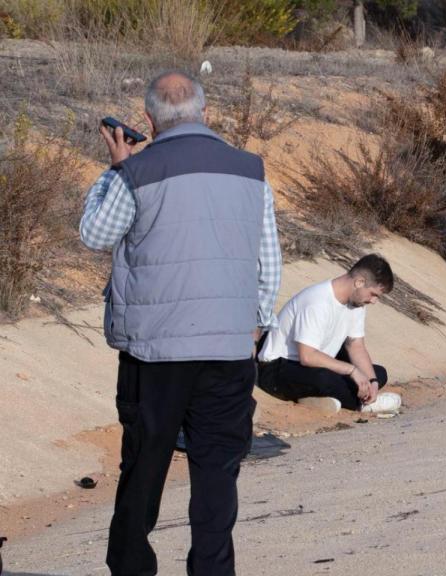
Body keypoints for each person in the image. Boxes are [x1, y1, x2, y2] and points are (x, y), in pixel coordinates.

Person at [80, 71, 281, 575]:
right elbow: (269, 260)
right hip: (229, 349)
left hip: (155, 355)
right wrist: (255, 323)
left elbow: (94, 234)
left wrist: (114, 170)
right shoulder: (251, 171)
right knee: (217, 475)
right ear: (205, 113)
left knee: (143, 472)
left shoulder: (136, 172)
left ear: (148, 120)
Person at [257, 254, 399, 414]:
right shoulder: (317, 301)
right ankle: (363, 405)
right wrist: (352, 371)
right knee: (324, 379)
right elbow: (307, 357)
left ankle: (320, 398)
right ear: (359, 282)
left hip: (315, 363)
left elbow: (356, 346)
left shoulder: (357, 305)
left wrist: (372, 382)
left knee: (378, 373)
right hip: (278, 368)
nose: (373, 301)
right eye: (373, 294)